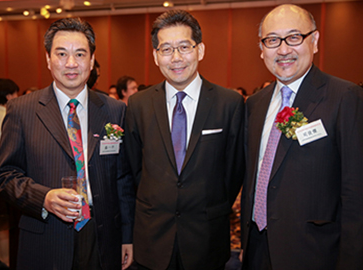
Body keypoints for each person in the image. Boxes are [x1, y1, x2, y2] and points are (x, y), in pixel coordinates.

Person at [0, 17, 135, 270]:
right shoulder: (22, 110)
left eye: (80, 54)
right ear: (48, 59)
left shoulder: (114, 110)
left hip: (102, 236)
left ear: (91, 61)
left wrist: (127, 237)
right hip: (45, 234)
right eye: (61, 53)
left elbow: (123, 180)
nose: (71, 63)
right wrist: (43, 197)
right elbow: (5, 177)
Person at [242, 4, 363, 270]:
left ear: (315, 41)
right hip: (258, 250)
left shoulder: (345, 98)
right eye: (272, 40)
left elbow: (355, 191)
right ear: (261, 48)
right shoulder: (255, 104)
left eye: (294, 37)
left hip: (316, 252)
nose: (283, 49)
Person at [125, 10, 244, 270]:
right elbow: (134, 170)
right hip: (152, 238)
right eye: (166, 49)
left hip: (207, 237)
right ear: (156, 56)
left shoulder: (229, 104)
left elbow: (234, 171)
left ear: (200, 50)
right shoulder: (138, 105)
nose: (176, 57)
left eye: (184, 47)